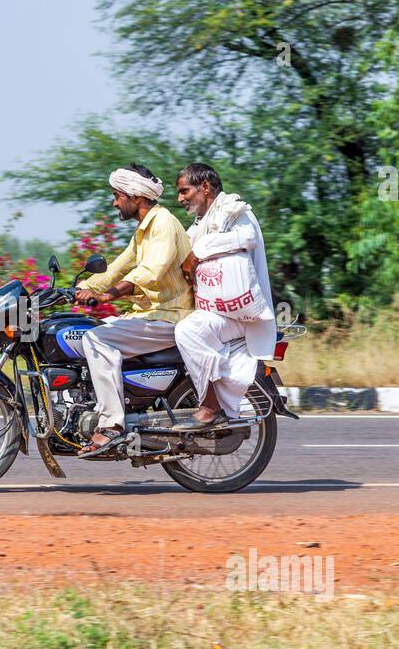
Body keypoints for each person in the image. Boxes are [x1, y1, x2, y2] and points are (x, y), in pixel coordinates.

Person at [73, 164, 194, 456]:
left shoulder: (162, 223)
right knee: (80, 333)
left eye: (117, 195)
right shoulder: (144, 230)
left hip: (168, 317)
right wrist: (79, 288)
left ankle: (111, 426)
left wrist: (108, 296)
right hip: (148, 315)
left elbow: (151, 271)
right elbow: (116, 268)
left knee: (97, 339)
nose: (115, 202)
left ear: (136, 197)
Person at [171, 162, 276, 429]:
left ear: (205, 187)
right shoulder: (201, 224)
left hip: (242, 314)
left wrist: (198, 252)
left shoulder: (234, 211)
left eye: (185, 191)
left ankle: (210, 407)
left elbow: (247, 237)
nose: (180, 198)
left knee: (188, 331)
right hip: (217, 311)